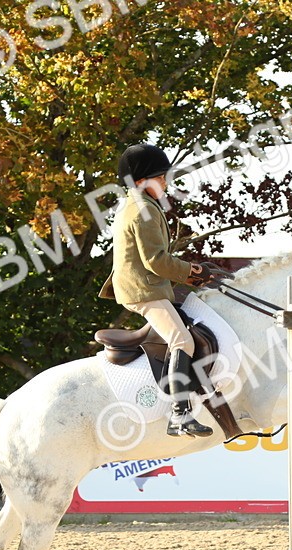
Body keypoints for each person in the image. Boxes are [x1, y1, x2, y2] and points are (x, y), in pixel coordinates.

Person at [98, 143, 217, 437]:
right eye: (160, 177)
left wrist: (192, 275)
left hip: (147, 286)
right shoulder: (142, 210)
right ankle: (179, 415)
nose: (165, 182)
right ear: (141, 180)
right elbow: (155, 261)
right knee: (182, 341)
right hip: (143, 289)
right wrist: (191, 272)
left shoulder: (139, 203)